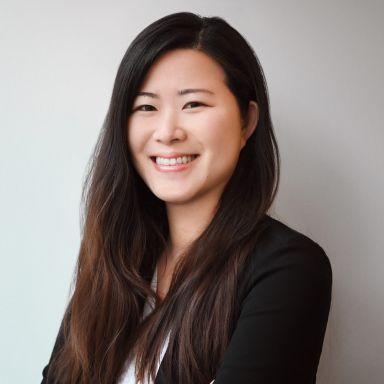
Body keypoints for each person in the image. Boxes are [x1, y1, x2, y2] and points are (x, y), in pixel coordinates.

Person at [41, 11, 332, 384]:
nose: (167, 132)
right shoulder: (114, 261)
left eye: (193, 104)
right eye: (146, 107)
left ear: (247, 121)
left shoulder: (288, 269)